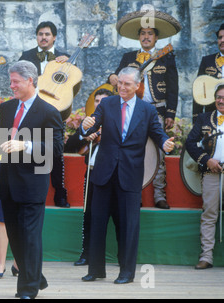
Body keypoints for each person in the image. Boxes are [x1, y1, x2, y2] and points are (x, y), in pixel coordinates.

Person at [0, 60, 64, 299]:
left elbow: (55, 148)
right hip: (8, 183)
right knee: (16, 237)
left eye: (15, 82)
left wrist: (27, 144)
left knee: (30, 236)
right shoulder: (7, 108)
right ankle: (36, 277)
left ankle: (27, 290)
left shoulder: (49, 112)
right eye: (10, 81)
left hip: (33, 184)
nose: (11, 86)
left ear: (30, 81)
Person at [81, 67, 175, 284]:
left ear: (137, 86)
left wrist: (165, 143)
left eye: (127, 84)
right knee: (98, 223)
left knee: (129, 226)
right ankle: (95, 270)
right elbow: (91, 124)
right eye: (120, 83)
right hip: (104, 173)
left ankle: (126, 272)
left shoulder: (147, 110)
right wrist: (85, 127)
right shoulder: (107, 104)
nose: (122, 87)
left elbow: (158, 134)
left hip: (130, 175)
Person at [109, 10, 181, 209]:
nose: (146, 37)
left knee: (158, 152)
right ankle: (135, 193)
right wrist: (112, 78)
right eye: (143, 34)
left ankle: (159, 194)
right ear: (138, 37)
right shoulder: (128, 57)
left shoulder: (166, 57)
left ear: (156, 38)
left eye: (150, 34)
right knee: (133, 152)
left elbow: (173, 87)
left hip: (157, 110)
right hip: (132, 111)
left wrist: (171, 113)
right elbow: (116, 77)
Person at [19, 21, 70, 208]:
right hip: (32, 110)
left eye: (47, 34)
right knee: (30, 149)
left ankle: (60, 194)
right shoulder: (26, 56)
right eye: (40, 34)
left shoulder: (65, 58)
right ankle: (28, 193)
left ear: (54, 37)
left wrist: (67, 65)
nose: (44, 37)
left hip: (55, 112)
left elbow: (70, 84)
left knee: (55, 152)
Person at [64, 88, 114, 266]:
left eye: (103, 101)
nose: (99, 104)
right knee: (89, 213)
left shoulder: (119, 120)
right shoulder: (90, 121)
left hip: (114, 173)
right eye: (97, 101)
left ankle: (121, 256)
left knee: (116, 215)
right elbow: (69, 146)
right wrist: (85, 136)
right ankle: (87, 253)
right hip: (93, 173)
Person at [185, 84, 224, 270]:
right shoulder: (204, 118)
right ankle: (206, 256)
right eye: (218, 97)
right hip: (211, 172)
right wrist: (206, 160)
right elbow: (190, 142)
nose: (221, 100)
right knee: (209, 214)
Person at [192, 23, 224, 123]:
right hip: (211, 116)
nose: (222, 40)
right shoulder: (207, 61)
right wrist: (196, 119)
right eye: (220, 37)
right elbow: (198, 91)